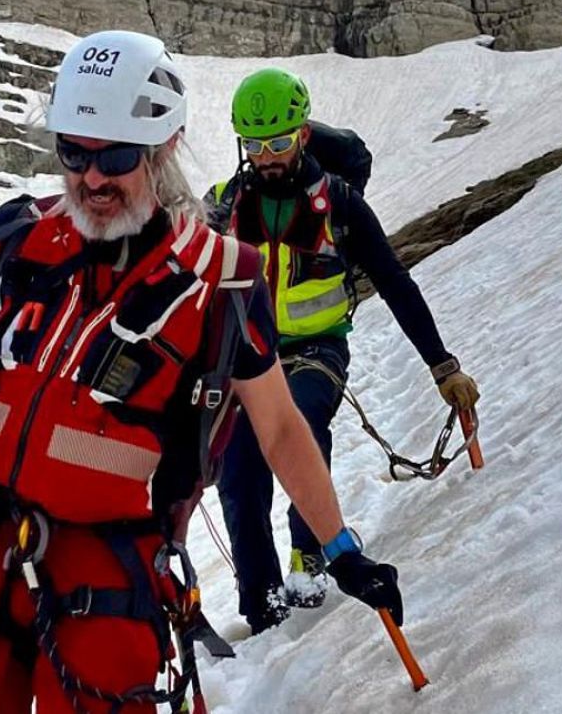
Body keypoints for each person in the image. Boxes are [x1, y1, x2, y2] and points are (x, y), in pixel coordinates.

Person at [0, 32, 402, 714]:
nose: (93, 178)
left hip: (107, 566)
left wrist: (339, 549)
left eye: (117, 156)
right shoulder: (13, 235)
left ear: (164, 149)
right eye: (75, 153)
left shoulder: (223, 280)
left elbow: (277, 425)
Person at [206, 67, 480, 633]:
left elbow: (396, 282)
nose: (267, 157)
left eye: (278, 142)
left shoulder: (341, 204)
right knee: (238, 471)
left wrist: (442, 366)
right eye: (255, 145)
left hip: (316, 350)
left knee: (300, 423)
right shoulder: (225, 204)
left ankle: (310, 554)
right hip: (246, 359)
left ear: (303, 135)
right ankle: (259, 601)